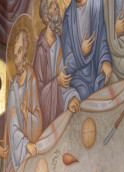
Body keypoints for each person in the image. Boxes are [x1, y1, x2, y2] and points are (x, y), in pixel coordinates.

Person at [34, 0, 80, 129]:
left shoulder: (60, 41)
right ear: (45, 17)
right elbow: (39, 94)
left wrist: (71, 97)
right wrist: (57, 82)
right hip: (49, 118)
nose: (56, 7)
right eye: (51, 5)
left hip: (61, 102)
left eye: (55, 3)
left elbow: (64, 81)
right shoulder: (41, 50)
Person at [5, 30, 43, 172]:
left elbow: (38, 115)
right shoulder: (14, 88)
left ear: (27, 51)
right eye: (15, 55)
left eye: (20, 52)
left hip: (33, 144)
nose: (17, 59)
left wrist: (27, 115)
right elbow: (12, 126)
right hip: (20, 148)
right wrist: (25, 142)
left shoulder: (32, 77)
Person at [60, 0, 112, 104]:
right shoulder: (68, 18)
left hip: (97, 69)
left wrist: (105, 60)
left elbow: (102, 35)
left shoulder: (97, 4)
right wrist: (81, 53)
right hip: (79, 79)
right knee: (85, 97)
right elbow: (67, 65)